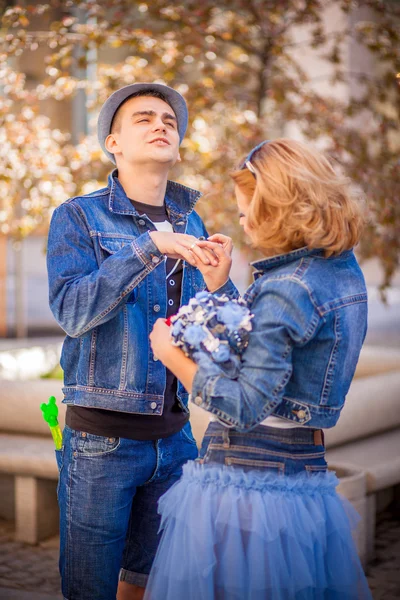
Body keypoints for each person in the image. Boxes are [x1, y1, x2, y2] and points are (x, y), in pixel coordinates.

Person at [147, 138, 373, 599]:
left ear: (279, 208)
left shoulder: (288, 288)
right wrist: (220, 284)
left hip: (248, 484)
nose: (244, 220)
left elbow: (245, 405)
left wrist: (171, 355)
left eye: (249, 210)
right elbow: (273, 357)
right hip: (301, 477)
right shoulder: (340, 273)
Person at [46, 82, 228, 600]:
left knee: (152, 588)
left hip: (175, 440)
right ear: (113, 142)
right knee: (90, 592)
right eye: (144, 118)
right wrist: (148, 248)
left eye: (169, 120)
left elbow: (208, 332)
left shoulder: (193, 223)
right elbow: (73, 313)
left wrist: (222, 286)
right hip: (101, 443)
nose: (161, 125)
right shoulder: (78, 217)